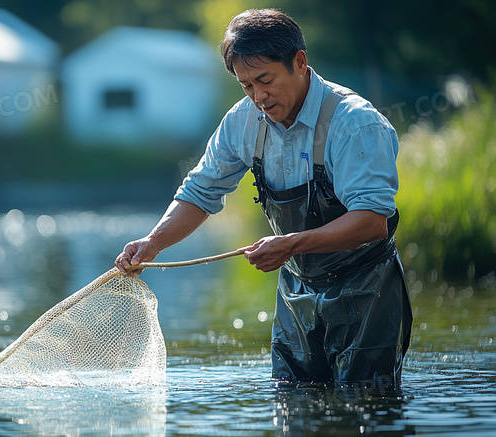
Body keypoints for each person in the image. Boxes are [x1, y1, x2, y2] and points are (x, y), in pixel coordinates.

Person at [115, 9, 412, 390]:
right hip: (297, 289)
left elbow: (372, 221)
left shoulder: (354, 122)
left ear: (299, 63)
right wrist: (152, 243)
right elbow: (199, 192)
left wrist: (290, 244)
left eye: (265, 80)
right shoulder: (242, 123)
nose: (258, 97)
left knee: (366, 403)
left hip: (367, 289)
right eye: (246, 86)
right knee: (290, 399)